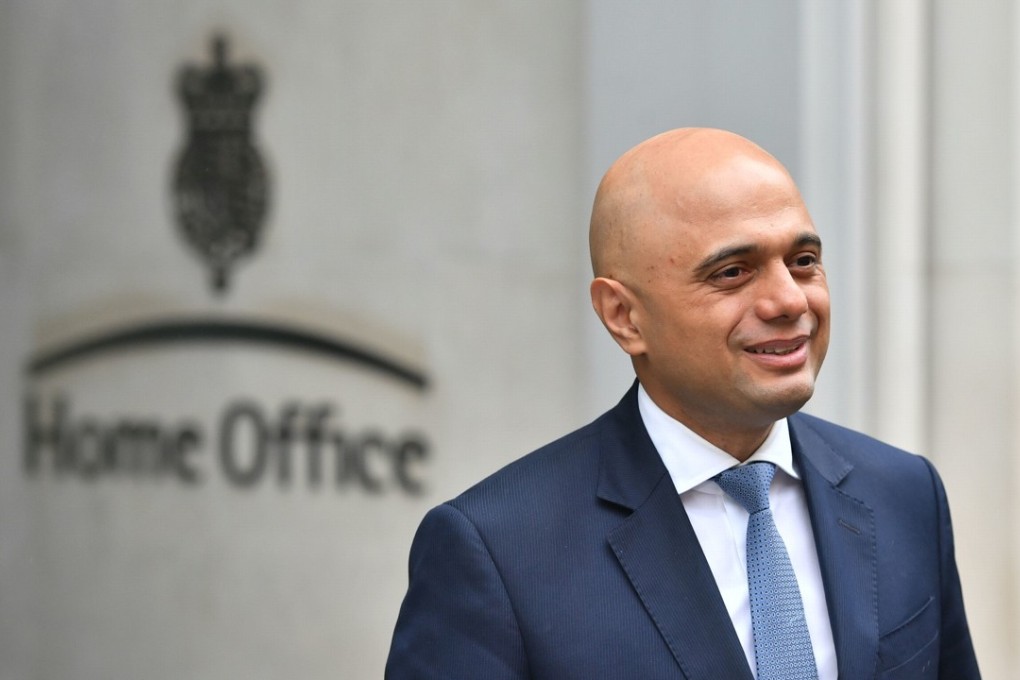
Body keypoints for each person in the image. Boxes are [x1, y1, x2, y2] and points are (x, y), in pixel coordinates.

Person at [386, 128, 980, 679]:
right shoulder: (497, 552)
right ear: (625, 317)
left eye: (803, 262)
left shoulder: (905, 494)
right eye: (732, 272)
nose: (788, 300)